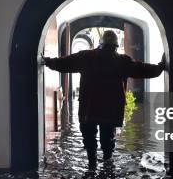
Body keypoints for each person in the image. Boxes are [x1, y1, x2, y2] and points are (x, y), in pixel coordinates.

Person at [42, 30, 166, 169]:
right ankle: (107, 164)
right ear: (115, 45)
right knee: (107, 139)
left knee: (89, 138)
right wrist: (160, 67)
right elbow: (142, 69)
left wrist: (48, 61)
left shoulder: (86, 57)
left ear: (100, 43)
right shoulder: (122, 61)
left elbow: (65, 63)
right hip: (110, 110)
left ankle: (92, 164)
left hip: (89, 108)